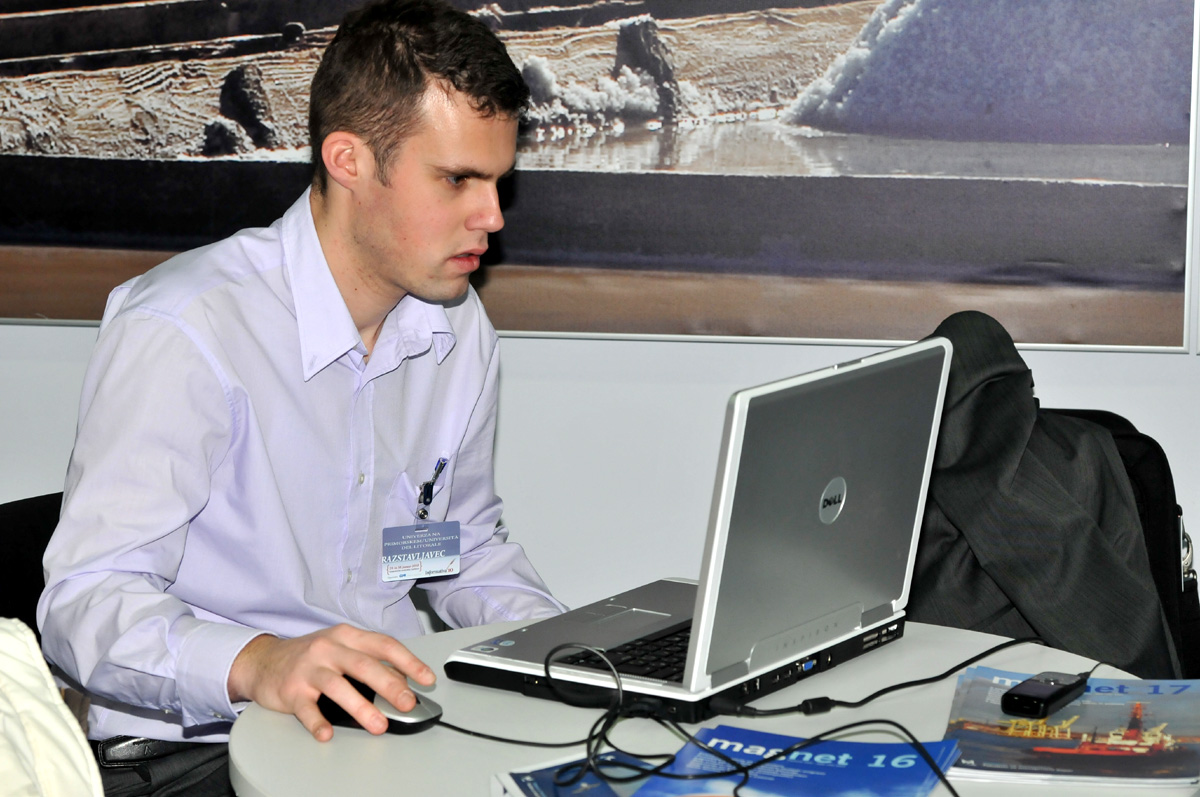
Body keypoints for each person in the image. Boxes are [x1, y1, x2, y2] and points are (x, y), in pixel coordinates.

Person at [38, 0, 565, 792]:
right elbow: (83, 603)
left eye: (497, 181)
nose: (491, 216)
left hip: (384, 734)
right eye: (458, 179)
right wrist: (260, 662)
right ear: (348, 160)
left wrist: (573, 660)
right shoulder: (187, 327)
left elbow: (446, 552)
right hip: (197, 753)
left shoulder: (457, 331)